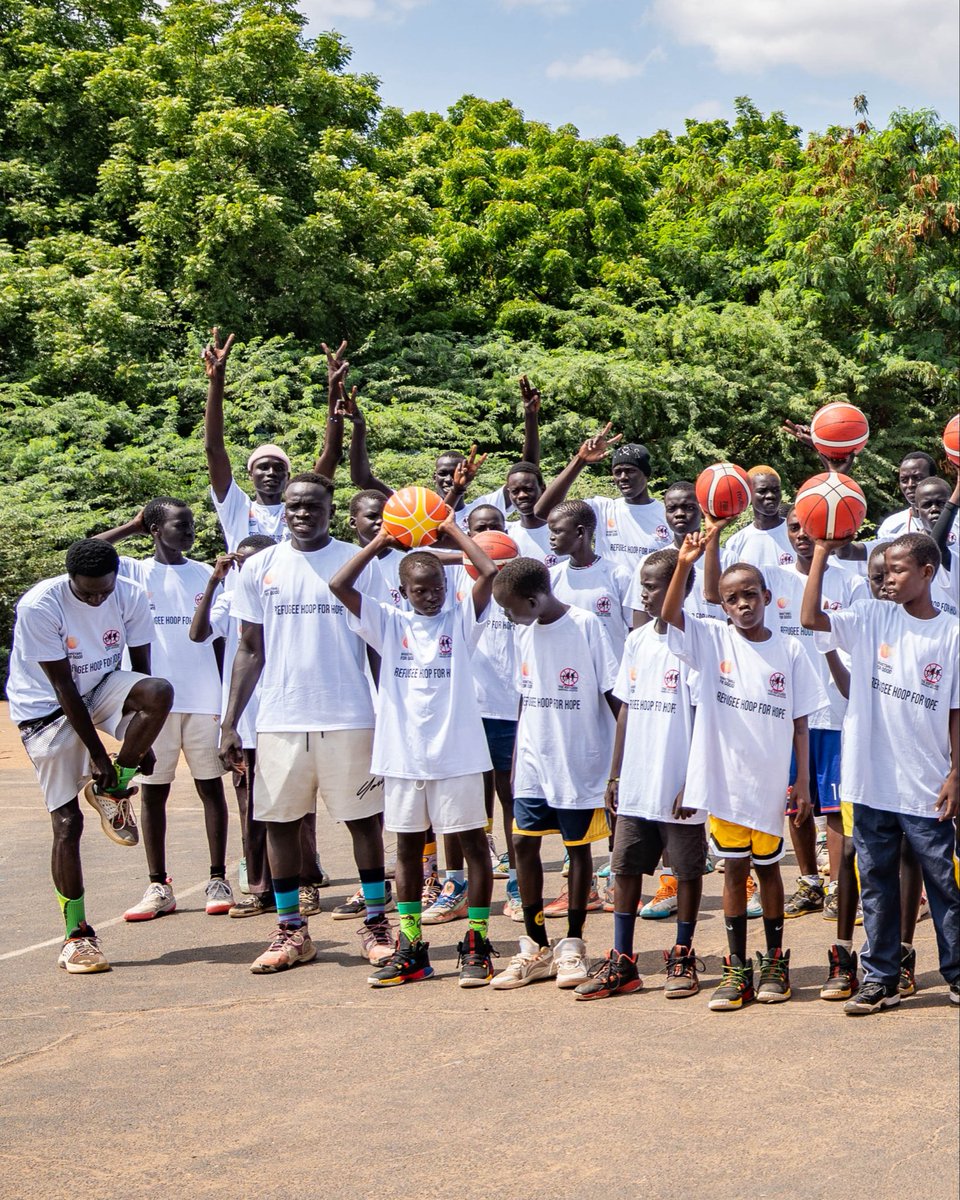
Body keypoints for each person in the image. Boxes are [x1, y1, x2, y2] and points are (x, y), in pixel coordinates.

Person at [220, 472, 387, 974]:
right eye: (294, 505)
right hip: (280, 716)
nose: (301, 513)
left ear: (330, 510)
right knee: (280, 822)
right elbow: (249, 647)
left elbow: (378, 641)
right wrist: (230, 722)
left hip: (350, 714)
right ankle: (292, 930)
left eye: (313, 506)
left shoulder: (357, 562)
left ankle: (376, 923)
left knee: (363, 820)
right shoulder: (260, 566)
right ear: (284, 510)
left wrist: (390, 711)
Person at [329, 509, 501, 987]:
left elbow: (488, 570)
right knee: (406, 849)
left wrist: (451, 531)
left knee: (472, 846)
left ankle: (477, 941)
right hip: (403, 756)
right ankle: (411, 946)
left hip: (458, 754)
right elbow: (338, 584)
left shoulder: (460, 619)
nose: (430, 596)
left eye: (437, 588)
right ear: (403, 591)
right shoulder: (388, 622)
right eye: (420, 590)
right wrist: (380, 541)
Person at [663, 529, 825, 1010]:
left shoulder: (789, 650)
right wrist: (684, 564)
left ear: (767, 597)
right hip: (726, 784)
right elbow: (669, 615)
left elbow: (801, 724)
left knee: (770, 871)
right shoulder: (712, 640)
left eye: (750, 594)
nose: (742, 604)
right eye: (732, 599)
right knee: (734, 872)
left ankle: (774, 962)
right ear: (724, 605)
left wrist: (802, 782)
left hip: (770, 784)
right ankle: (737, 968)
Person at [802, 532, 960, 1013]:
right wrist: (822, 554)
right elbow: (810, 618)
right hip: (870, 781)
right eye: (884, 570)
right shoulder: (870, 617)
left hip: (926, 784)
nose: (887, 579)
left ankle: (956, 973)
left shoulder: (952, 633)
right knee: (876, 882)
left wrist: (956, 774)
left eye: (897, 570)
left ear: (927, 573)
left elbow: (957, 711)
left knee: (944, 885)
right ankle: (881, 979)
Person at [7, 539, 173, 973]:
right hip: (46, 710)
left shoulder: (130, 594)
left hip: (100, 687)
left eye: (104, 591)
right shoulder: (41, 606)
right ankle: (77, 936)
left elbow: (142, 671)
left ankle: (114, 790)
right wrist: (99, 755)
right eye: (87, 593)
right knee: (67, 824)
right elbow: (63, 687)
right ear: (70, 580)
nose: (98, 599)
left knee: (159, 691)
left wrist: (141, 740)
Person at [574, 547, 707, 1001]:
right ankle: (623, 960)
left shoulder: (697, 642)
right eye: (642, 586)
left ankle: (682, 953)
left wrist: (694, 779)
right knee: (626, 865)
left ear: (679, 589)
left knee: (686, 870)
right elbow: (626, 708)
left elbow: (706, 717)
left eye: (652, 586)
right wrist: (615, 775)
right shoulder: (636, 639)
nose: (643, 594)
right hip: (637, 778)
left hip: (679, 781)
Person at [95, 498, 236, 920]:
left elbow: (219, 641)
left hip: (203, 698)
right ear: (155, 529)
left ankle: (218, 879)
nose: (190, 531)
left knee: (211, 788)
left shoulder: (206, 573)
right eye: (180, 524)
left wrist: (226, 699)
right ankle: (159, 885)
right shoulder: (133, 571)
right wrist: (131, 525)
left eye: (191, 524)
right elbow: (89, 552)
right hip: (152, 706)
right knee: (155, 792)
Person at [490, 558, 620, 990]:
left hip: (578, 761)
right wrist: (516, 760)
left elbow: (614, 696)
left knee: (577, 849)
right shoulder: (523, 631)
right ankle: (536, 946)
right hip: (533, 759)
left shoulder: (585, 626)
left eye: (510, 608)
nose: (507, 616)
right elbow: (524, 697)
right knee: (522, 844)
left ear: (533, 600)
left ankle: (573, 944)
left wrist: (619, 768)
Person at [202, 328, 350, 550]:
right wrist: (217, 381)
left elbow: (332, 454)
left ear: (288, 477)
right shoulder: (236, 506)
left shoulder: (298, 509)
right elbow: (214, 448)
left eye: (279, 468)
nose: (271, 473)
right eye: (263, 467)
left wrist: (334, 391)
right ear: (250, 474)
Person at [348, 374, 542, 527]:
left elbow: (528, 471)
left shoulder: (485, 507)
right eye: (443, 473)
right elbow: (362, 479)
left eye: (456, 472)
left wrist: (530, 416)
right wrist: (359, 425)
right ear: (434, 477)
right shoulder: (414, 508)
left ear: (469, 475)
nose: (450, 479)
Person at [534, 429, 671, 571]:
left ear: (646, 474)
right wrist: (580, 460)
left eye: (630, 470)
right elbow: (543, 511)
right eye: (617, 472)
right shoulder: (602, 508)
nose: (623, 477)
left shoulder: (666, 514)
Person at [546, 500, 633, 659]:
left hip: (611, 670)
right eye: (551, 531)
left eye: (557, 531)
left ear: (580, 532)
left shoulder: (618, 575)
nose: (551, 538)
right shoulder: (552, 577)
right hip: (567, 667)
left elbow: (635, 629)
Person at [721, 466, 796, 568]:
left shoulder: (796, 533)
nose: (770, 496)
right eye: (762, 491)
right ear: (748, 494)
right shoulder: (736, 543)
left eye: (775, 490)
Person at [874, 451, 938, 539]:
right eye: (904, 480)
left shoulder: (954, 520)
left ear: (934, 480)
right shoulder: (890, 526)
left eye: (917, 478)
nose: (910, 485)